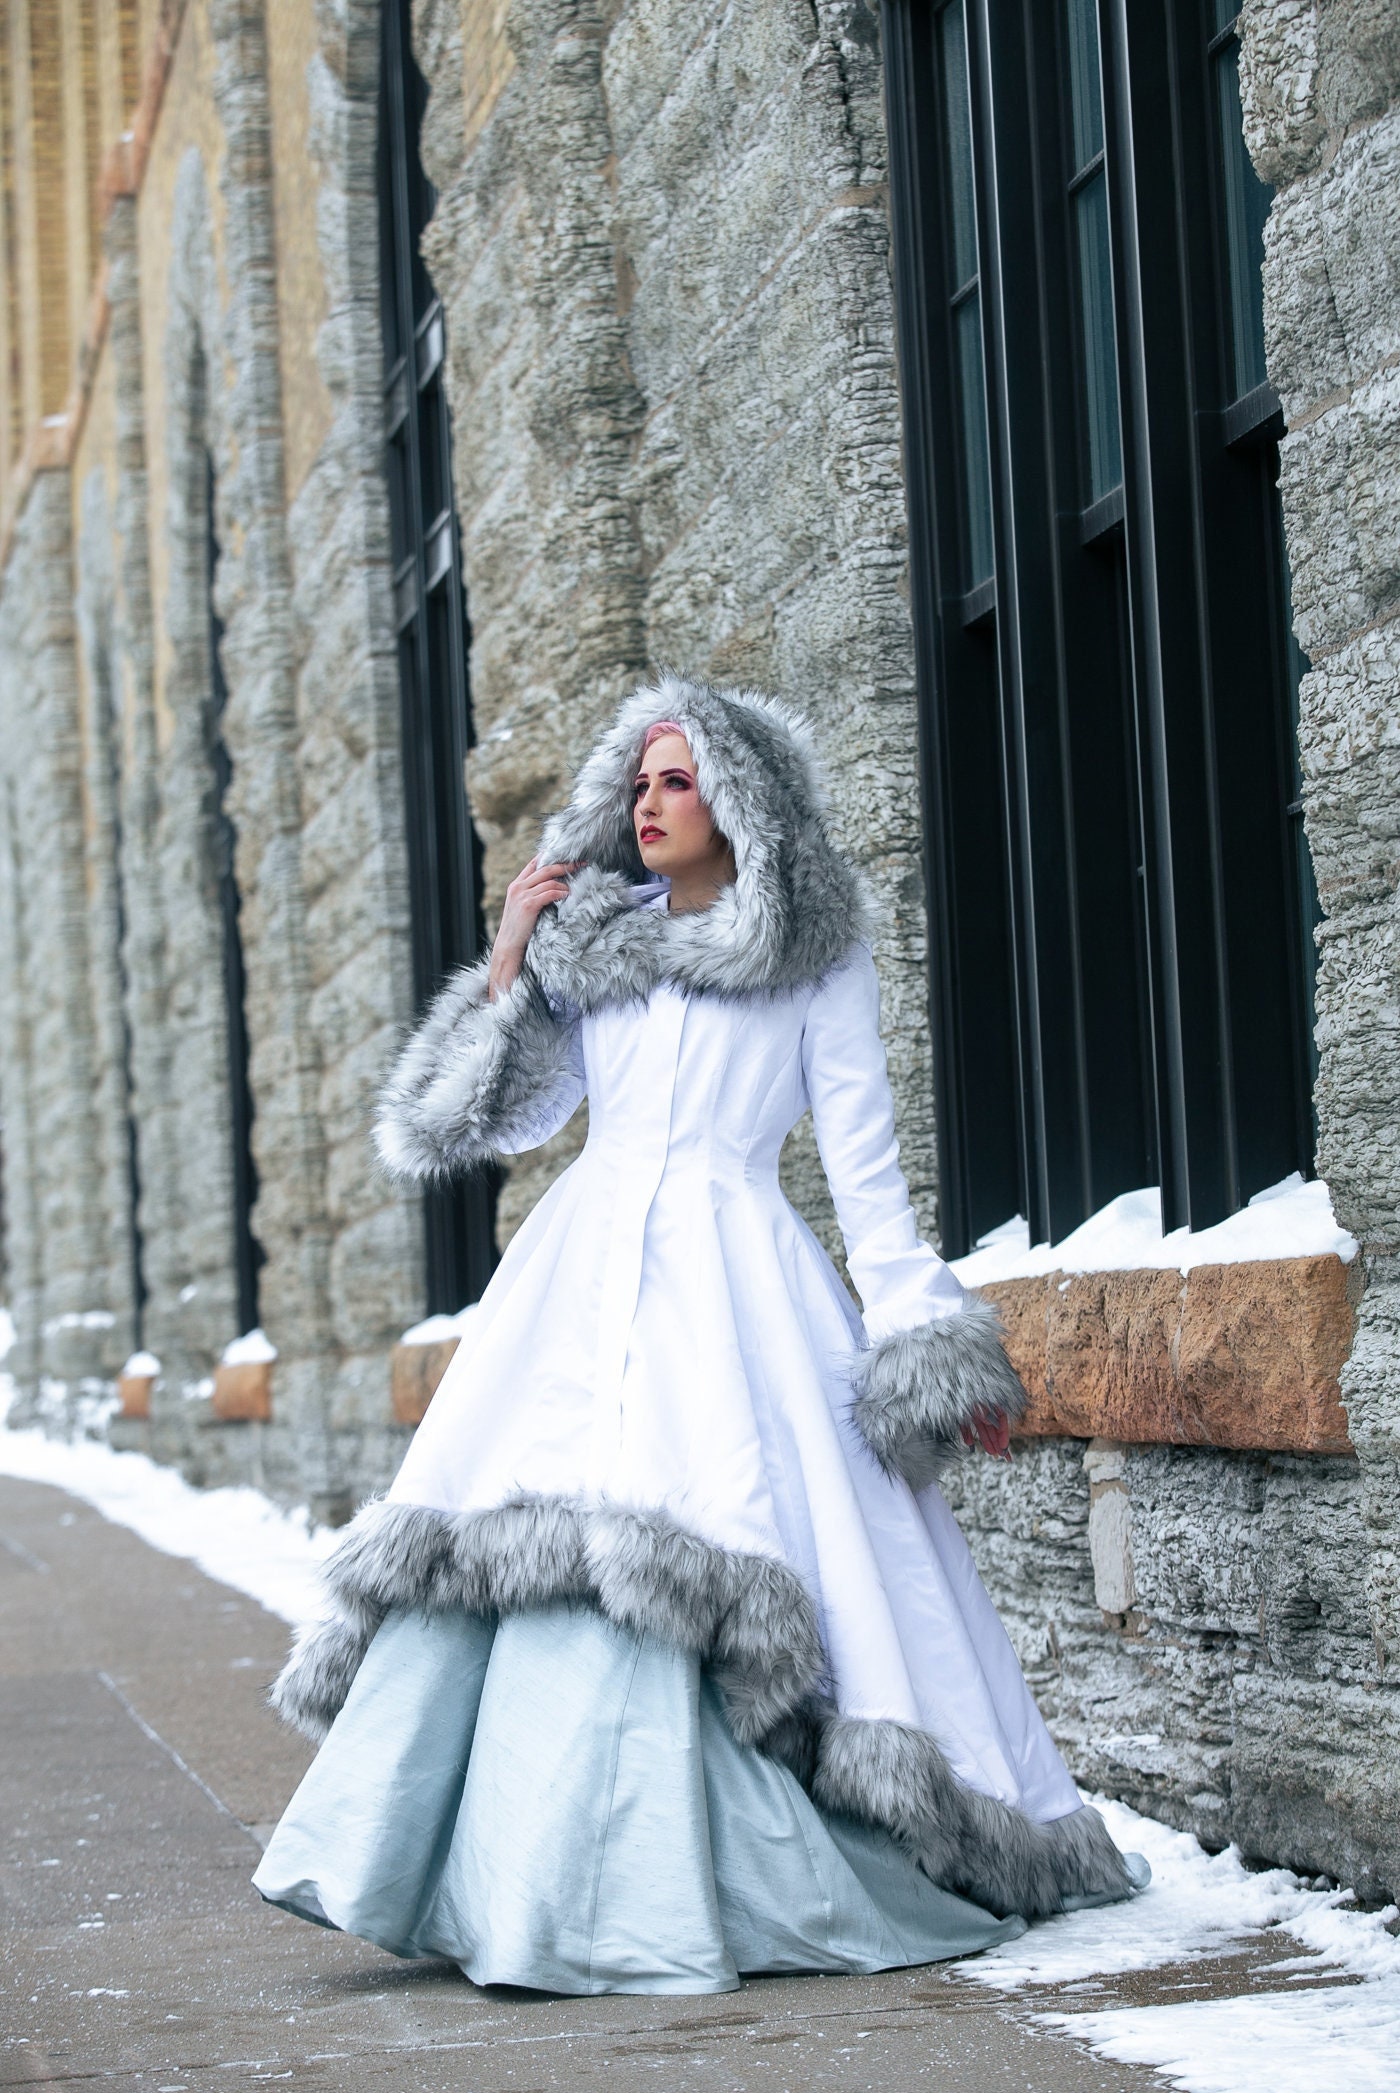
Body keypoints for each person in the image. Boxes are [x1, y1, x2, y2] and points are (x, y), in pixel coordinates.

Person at [255, 675, 1148, 1994]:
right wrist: (510, 962)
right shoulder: (596, 946)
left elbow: (867, 1174)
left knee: (735, 1527)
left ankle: (723, 1881)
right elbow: (485, 1124)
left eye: (680, 780)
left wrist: (927, 1344)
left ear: (741, 799)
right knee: (516, 1527)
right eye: (639, 783)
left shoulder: (809, 947)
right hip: (577, 1276)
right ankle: (495, 1880)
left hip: (735, 1291)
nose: (652, 804)